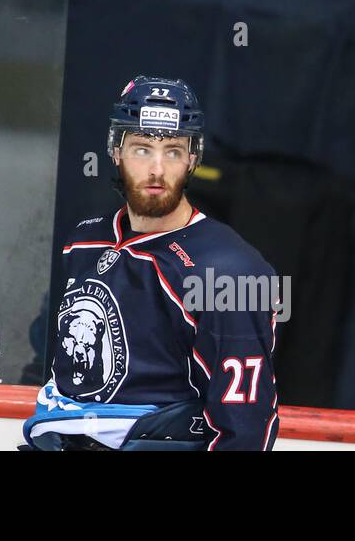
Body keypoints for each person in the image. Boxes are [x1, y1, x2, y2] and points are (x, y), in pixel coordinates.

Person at [23, 76, 280, 451]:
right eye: (142, 149)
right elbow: (52, 364)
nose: (157, 169)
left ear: (193, 157)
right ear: (115, 150)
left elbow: (245, 428)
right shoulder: (84, 242)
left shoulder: (229, 271)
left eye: (173, 151)